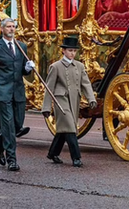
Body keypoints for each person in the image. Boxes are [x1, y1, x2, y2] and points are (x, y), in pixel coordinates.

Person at [0, 18, 34, 171]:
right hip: (2, 91)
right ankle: (12, 159)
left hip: (18, 90)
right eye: (8, 27)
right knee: (8, 125)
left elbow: (22, 70)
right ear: (2, 29)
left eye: (13, 27)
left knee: (17, 123)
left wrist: (28, 68)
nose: (11, 29)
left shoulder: (21, 46)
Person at [42, 36, 97, 167]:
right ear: (64, 51)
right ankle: (76, 157)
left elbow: (86, 84)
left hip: (74, 100)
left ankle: (53, 153)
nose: (72, 53)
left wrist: (91, 98)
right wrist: (46, 107)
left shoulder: (80, 66)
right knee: (71, 128)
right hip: (61, 100)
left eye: (74, 51)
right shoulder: (55, 67)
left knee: (65, 129)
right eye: (70, 50)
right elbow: (49, 88)